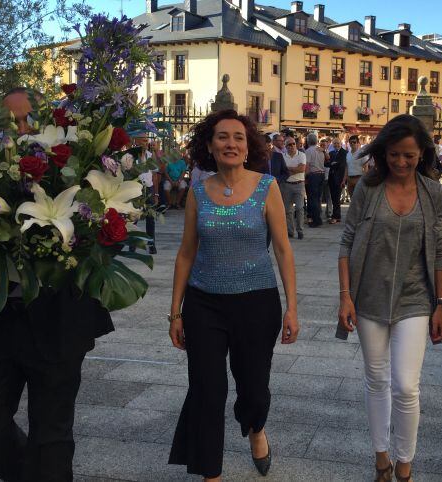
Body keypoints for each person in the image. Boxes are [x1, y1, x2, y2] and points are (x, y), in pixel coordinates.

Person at [0, 88, 115, 482]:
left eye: (28, 119)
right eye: (12, 120)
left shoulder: (74, 162)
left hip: (58, 316)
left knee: (52, 437)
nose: (21, 128)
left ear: (47, 118)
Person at [167, 109, 299, 481]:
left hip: (257, 302)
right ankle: (211, 473)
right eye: (222, 137)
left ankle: (255, 428)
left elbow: (283, 250)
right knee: (207, 390)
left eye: (238, 137)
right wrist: (175, 312)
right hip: (204, 304)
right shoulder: (197, 192)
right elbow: (186, 252)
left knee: (254, 388)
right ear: (210, 146)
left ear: (248, 145)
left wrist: (292, 307)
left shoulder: (266, 187)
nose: (231, 143)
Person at [337, 114, 442, 482]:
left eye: (409, 156)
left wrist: (440, 305)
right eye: (395, 154)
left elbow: (440, 252)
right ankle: (381, 457)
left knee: (406, 386)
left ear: (422, 155)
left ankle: (405, 463)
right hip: (368, 296)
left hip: (415, 298)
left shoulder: (432, 192)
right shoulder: (368, 188)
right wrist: (345, 297)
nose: (401, 162)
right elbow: (346, 242)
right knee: (376, 379)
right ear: (384, 152)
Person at [282, 136, 307, 239]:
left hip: (299, 184)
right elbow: (282, 170)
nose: (292, 146)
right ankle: (290, 231)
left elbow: (301, 169)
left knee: (299, 208)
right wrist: (294, 169)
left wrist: (288, 169)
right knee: (288, 210)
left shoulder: (301, 155)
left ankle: (300, 230)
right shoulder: (282, 156)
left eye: (293, 144)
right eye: (289, 144)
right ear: (285, 146)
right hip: (287, 185)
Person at [304, 133, 327, 228]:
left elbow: (307, 166)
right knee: (317, 198)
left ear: (308, 141)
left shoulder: (308, 151)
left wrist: (305, 177)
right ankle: (318, 218)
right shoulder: (321, 150)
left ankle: (316, 220)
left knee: (313, 198)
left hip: (313, 175)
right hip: (321, 174)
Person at [325, 137, 347, 224]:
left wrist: (332, 164)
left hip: (339, 179)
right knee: (333, 198)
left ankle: (335, 216)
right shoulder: (331, 153)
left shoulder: (344, 153)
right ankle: (337, 216)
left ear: (341, 144)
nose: (336, 145)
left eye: (338, 143)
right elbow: (326, 164)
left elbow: (341, 165)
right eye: (334, 143)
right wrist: (332, 164)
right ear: (332, 144)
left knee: (336, 198)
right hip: (331, 179)